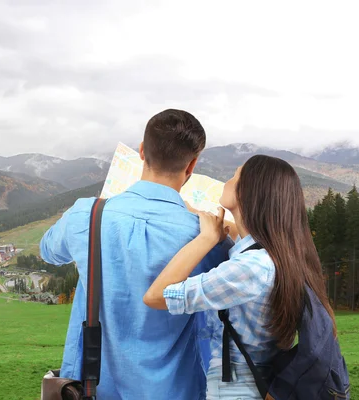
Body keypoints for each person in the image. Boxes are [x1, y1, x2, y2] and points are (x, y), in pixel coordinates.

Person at [40, 109, 231, 399]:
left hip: (90, 388)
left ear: (142, 151)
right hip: (174, 390)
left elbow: (48, 251)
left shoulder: (87, 214)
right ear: (191, 165)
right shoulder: (207, 237)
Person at [144, 155, 337, 400]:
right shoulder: (277, 253)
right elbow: (238, 232)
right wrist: (192, 211)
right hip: (258, 380)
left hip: (236, 391)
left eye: (235, 176)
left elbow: (155, 296)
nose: (227, 181)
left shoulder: (250, 268)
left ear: (249, 193)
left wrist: (205, 239)